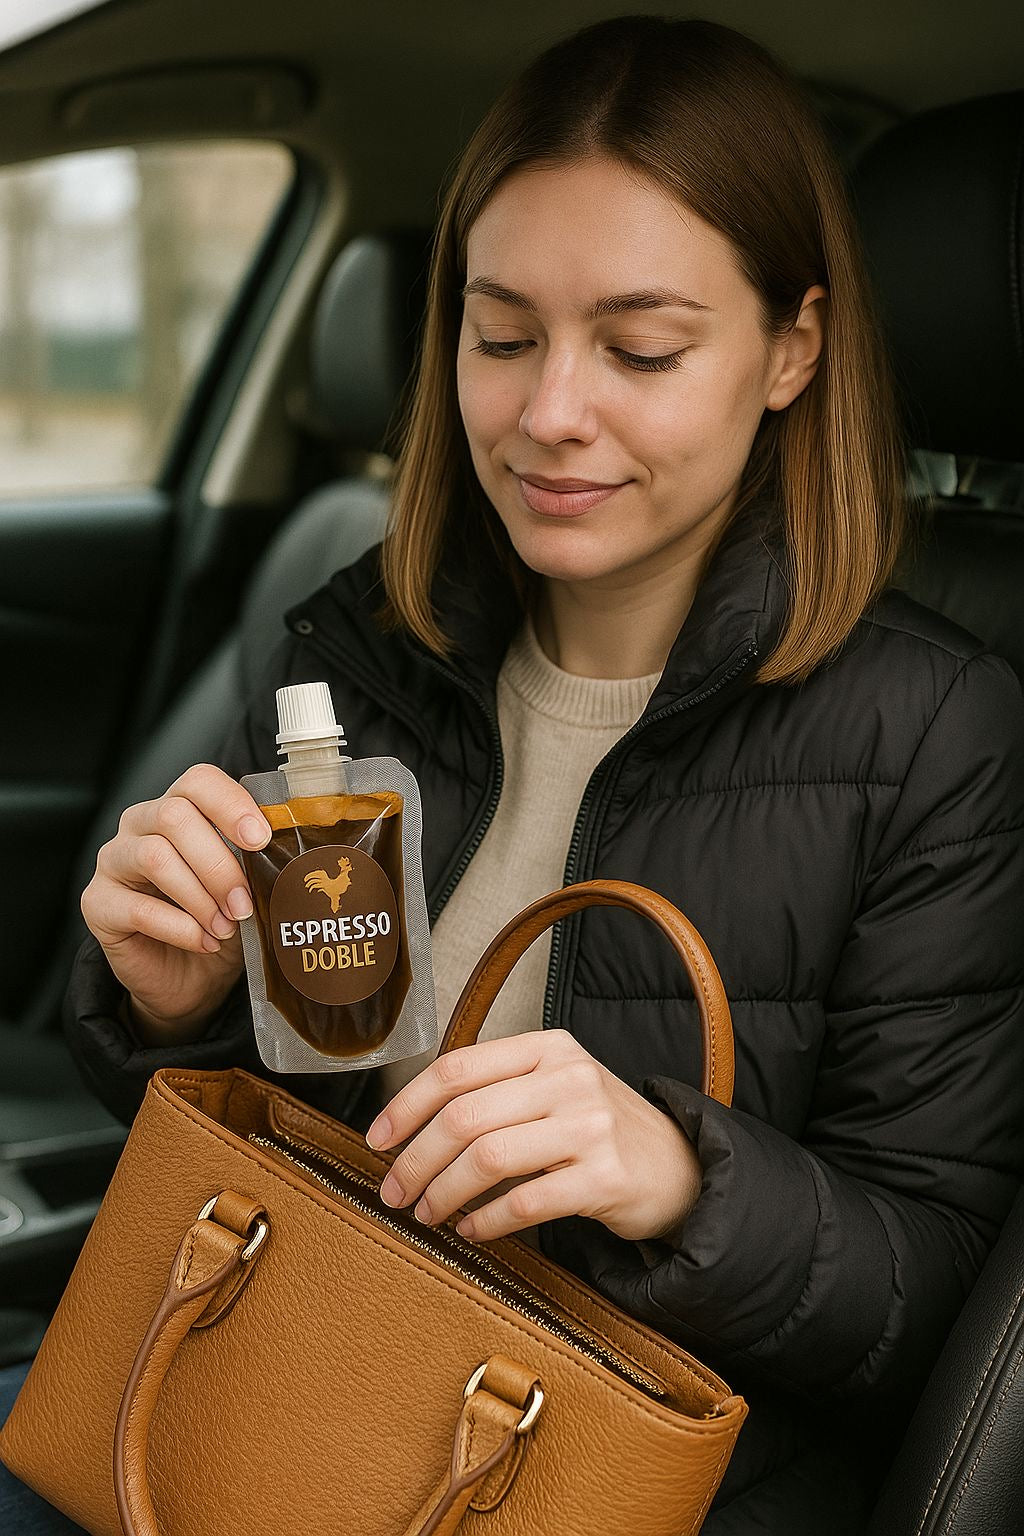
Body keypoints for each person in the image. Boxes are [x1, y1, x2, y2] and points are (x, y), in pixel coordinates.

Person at [3, 15, 1023, 1534]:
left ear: (792, 349)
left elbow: (946, 1307)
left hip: (612, 1482)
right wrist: (175, 998)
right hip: (287, 1382)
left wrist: (677, 1176)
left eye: (643, 347)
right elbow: (272, 1112)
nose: (550, 412)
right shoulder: (359, 647)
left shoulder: (939, 732)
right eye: (501, 335)